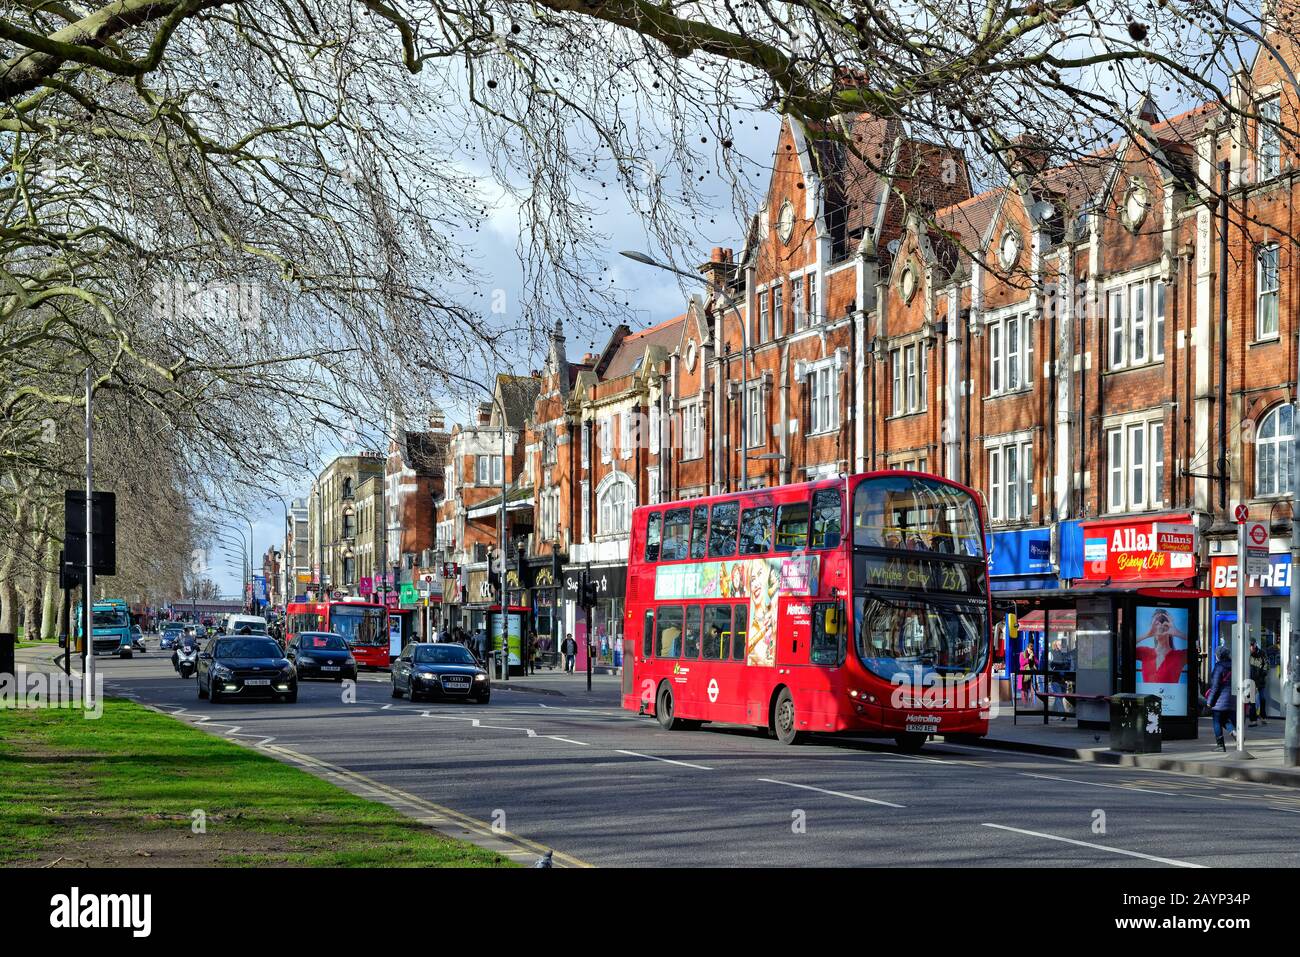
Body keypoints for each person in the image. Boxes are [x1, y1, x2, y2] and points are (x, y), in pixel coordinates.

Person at [1205, 644, 1237, 752]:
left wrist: (1209, 701)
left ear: (1219, 655)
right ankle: (1234, 732)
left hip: (1220, 699)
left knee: (1217, 721)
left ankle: (1220, 746)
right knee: (1224, 720)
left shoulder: (1219, 667)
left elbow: (1215, 686)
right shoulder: (1234, 665)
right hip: (1232, 698)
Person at [1249, 639, 1268, 726]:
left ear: (1256, 644)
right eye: (1250, 645)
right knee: (1252, 701)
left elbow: (1266, 665)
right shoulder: (1247, 653)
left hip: (1260, 680)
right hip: (1251, 680)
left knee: (1262, 699)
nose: (1252, 647)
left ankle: (1263, 717)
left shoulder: (1261, 653)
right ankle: (1253, 720)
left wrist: (1263, 674)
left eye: (1253, 645)